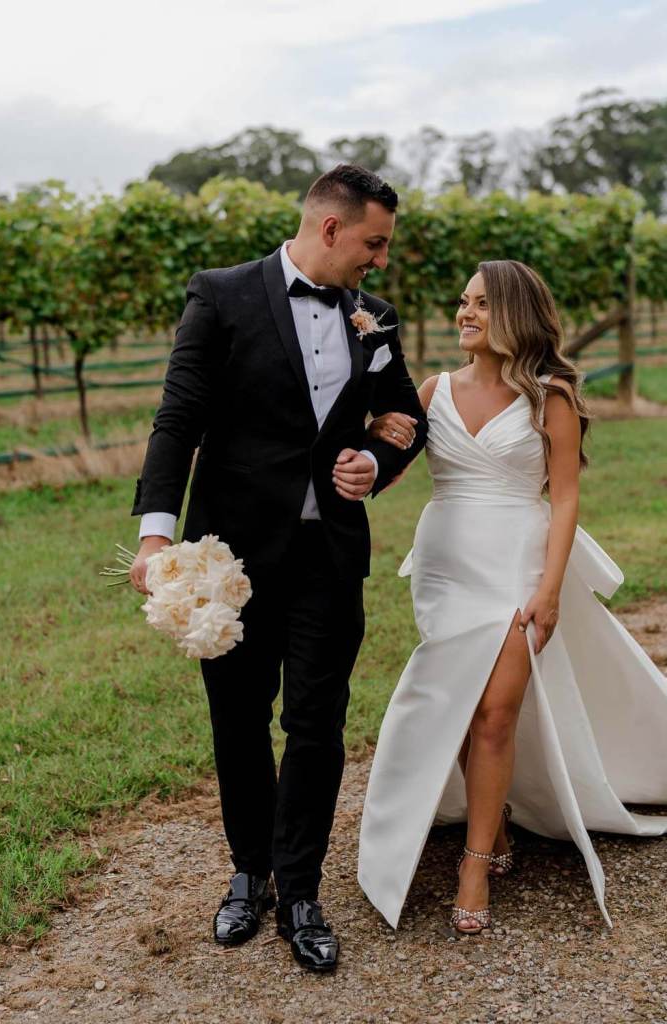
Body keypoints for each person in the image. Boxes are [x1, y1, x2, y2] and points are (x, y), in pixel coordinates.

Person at [128, 165, 427, 972]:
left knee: (316, 727)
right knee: (237, 720)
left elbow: (405, 416)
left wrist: (370, 455)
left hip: (328, 559)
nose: (380, 261)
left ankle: (299, 889)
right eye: (374, 242)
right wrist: (157, 538)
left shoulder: (374, 317)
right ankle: (248, 873)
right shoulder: (220, 295)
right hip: (231, 565)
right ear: (330, 228)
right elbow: (177, 418)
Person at [357, 259, 667, 934]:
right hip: (444, 567)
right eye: (461, 301)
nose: (463, 313)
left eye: (479, 303)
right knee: (457, 702)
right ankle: (493, 823)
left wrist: (550, 588)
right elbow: (384, 473)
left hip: (514, 565)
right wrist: (362, 442)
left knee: (494, 716)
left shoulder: (547, 395)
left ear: (511, 314)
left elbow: (563, 497)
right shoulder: (430, 389)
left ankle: (475, 864)